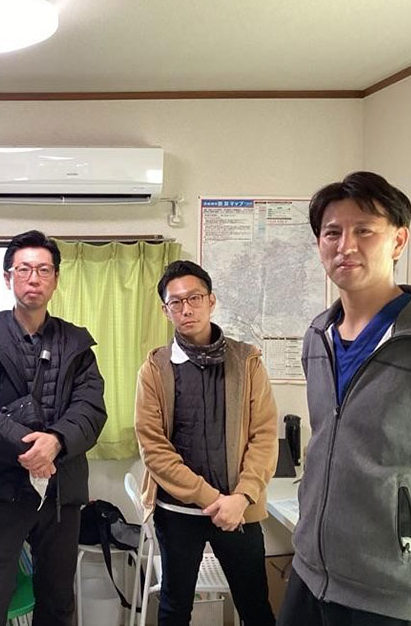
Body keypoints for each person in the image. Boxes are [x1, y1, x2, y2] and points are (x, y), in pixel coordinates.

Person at [278, 172, 411, 625]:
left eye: (364, 230)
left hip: (396, 595)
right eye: (332, 233)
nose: (346, 246)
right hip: (311, 575)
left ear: (398, 241)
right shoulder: (318, 337)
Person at [0, 230, 106, 626]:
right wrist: (31, 449)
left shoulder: (76, 343)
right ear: (8, 277)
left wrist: (56, 441)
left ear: (55, 278)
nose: (33, 278)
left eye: (43, 270)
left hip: (61, 490)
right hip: (0, 486)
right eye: (24, 269)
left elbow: (90, 409)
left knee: (57, 601)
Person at [135, 259, 278, 626]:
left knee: (256, 608)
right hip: (178, 514)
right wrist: (212, 499)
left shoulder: (247, 361)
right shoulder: (155, 368)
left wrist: (242, 497)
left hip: (239, 509)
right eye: (176, 302)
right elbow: (154, 449)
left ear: (211, 301)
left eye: (194, 298)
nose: (186, 309)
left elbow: (264, 435)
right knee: (174, 608)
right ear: (165, 310)